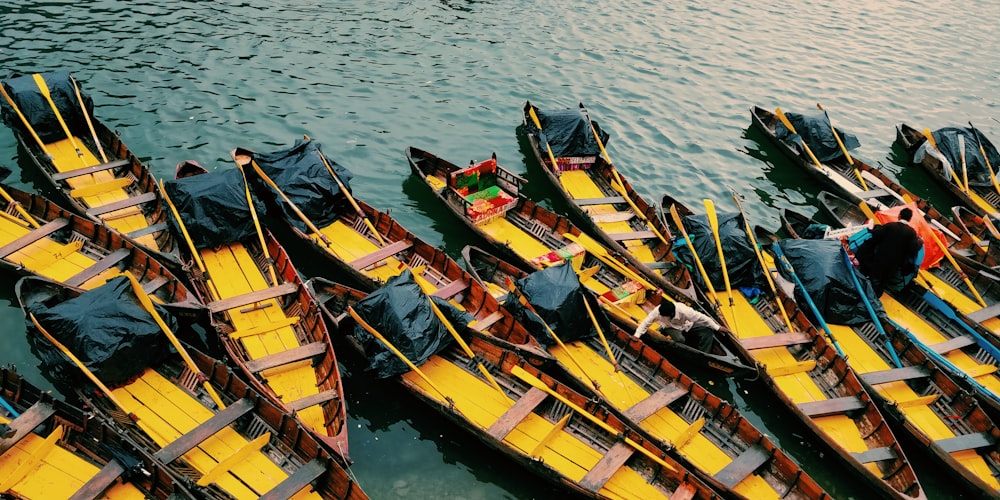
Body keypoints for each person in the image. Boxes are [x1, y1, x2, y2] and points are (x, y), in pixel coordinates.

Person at [854, 207, 923, 295]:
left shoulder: (890, 226)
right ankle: (875, 297)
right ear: (909, 219)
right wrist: (920, 241)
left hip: (880, 258)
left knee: (874, 279)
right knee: (882, 283)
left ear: (899, 216)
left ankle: (864, 295)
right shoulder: (911, 233)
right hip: (894, 264)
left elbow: (875, 235)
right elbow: (913, 248)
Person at [633, 300, 721, 352]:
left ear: (671, 314)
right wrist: (637, 335)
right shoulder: (657, 312)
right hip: (670, 327)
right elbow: (646, 323)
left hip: (687, 324)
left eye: (664, 316)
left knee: (707, 331)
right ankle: (666, 332)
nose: (661, 317)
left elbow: (703, 318)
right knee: (680, 340)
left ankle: (703, 353)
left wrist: (717, 327)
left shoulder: (685, 311)